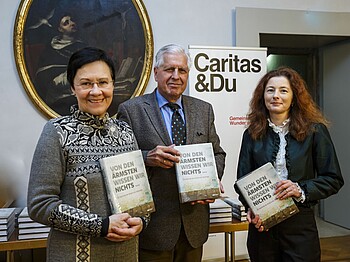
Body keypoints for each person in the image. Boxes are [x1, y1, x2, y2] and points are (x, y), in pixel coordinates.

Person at [28, 47, 149, 261]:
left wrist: (142, 220)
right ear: (73, 88)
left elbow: (140, 197)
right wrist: (101, 225)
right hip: (73, 255)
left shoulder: (125, 132)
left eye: (103, 82)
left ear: (112, 84)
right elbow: (40, 204)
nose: (96, 91)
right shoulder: (57, 132)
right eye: (86, 83)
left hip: (125, 253)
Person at [117, 44, 226, 262]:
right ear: (156, 73)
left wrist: (212, 181)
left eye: (182, 70)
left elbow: (218, 154)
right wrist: (148, 157)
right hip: (153, 227)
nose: (176, 76)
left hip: (193, 225)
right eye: (169, 69)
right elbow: (119, 165)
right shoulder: (131, 110)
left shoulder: (203, 109)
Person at [234, 67, 344, 262]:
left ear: (294, 97)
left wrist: (299, 188)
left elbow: (333, 179)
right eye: (270, 90)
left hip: (300, 225)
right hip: (263, 226)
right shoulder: (251, 133)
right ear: (263, 96)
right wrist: (251, 207)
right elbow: (242, 180)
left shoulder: (315, 131)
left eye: (283, 90)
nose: (276, 96)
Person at [35, 11, 87, 116]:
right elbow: (43, 73)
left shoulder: (82, 46)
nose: (72, 23)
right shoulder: (51, 49)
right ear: (60, 29)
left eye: (72, 20)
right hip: (59, 93)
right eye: (66, 23)